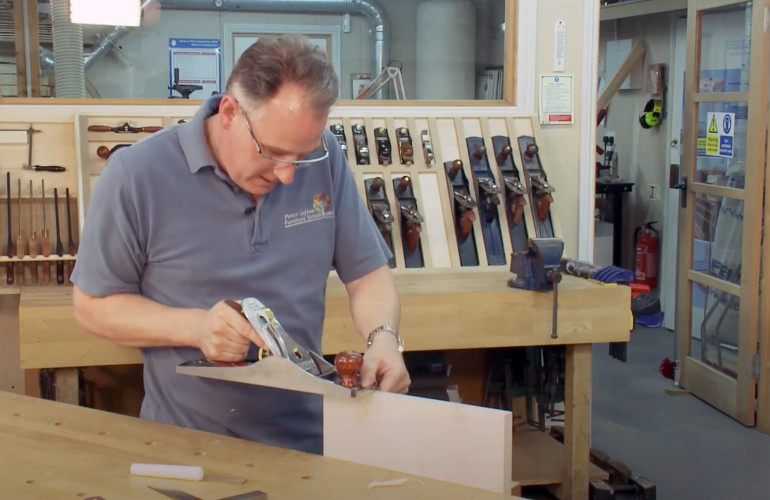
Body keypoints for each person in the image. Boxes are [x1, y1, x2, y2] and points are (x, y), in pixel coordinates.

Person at [71, 35, 410, 454]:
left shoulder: (324, 158)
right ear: (230, 112)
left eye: (301, 157)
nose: (288, 175)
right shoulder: (136, 175)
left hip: (309, 441)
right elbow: (92, 307)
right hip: (187, 446)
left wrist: (383, 338)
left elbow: (368, 275)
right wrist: (196, 328)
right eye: (273, 152)